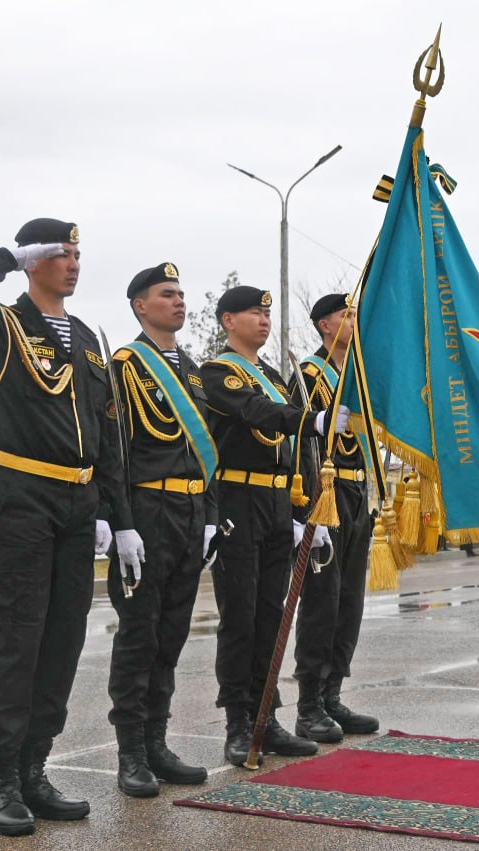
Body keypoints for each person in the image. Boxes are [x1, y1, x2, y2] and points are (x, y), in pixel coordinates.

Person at [0, 219, 141, 837]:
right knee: (17, 641)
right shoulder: (3, 324)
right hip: (22, 495)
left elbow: (106, 432)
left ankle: (35, 767)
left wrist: (118, 516)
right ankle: (1, 780)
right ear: (35, 261)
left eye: (79, 254)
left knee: (62, 641)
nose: (74, 264)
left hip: (78, 504)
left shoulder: (85, 336)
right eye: (61, 254)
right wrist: (4, 255)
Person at [199, 285, 349, 766]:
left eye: (266, 312)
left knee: (271, 615)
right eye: (251, 312)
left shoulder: (271, 375)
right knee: (240, 618)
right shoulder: (219, 372)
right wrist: (313, 421)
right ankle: (238, 724)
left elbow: (291, 449)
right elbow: (258, 414)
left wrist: (303, 514)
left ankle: (268, 717)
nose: (263, 320)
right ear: (227, 321)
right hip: (237, 501)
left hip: (275, 499)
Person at [105, 263, 214, 797]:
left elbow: (204, 449)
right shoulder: (125, 366)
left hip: (191, 513)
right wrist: (119, 522)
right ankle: (129, 753)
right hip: (147, 511)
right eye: (166, 294)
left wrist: (212, 516)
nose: (179, 301)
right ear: (139, 306)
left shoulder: (192, 371)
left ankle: (157, 742)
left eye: (181, 294)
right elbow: (116, 448)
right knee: (139, 633)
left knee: (171, 634)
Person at [289, 294, 380, 744]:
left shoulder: (357, 376)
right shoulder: (309, 373)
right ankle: (308, 705)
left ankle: (333, 694)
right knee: (322, 601)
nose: (354, 322)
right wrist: (307, 510)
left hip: (359, 490)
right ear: (326, 325)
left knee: (350, 601)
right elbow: (301, 444)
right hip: (327, 493)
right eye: (348, 316)